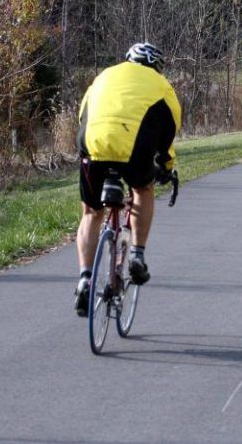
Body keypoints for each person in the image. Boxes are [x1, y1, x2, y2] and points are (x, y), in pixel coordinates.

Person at [74, 42, 181, 316]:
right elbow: (169, 130)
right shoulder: (161, 85)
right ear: (156, 66)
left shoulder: (103, 76)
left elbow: (83, 113)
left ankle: (85, 278)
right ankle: (137, 255)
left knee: (90, 212)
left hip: (93, 146)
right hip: (133, 151)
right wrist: (167, 167)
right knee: (142, 189)